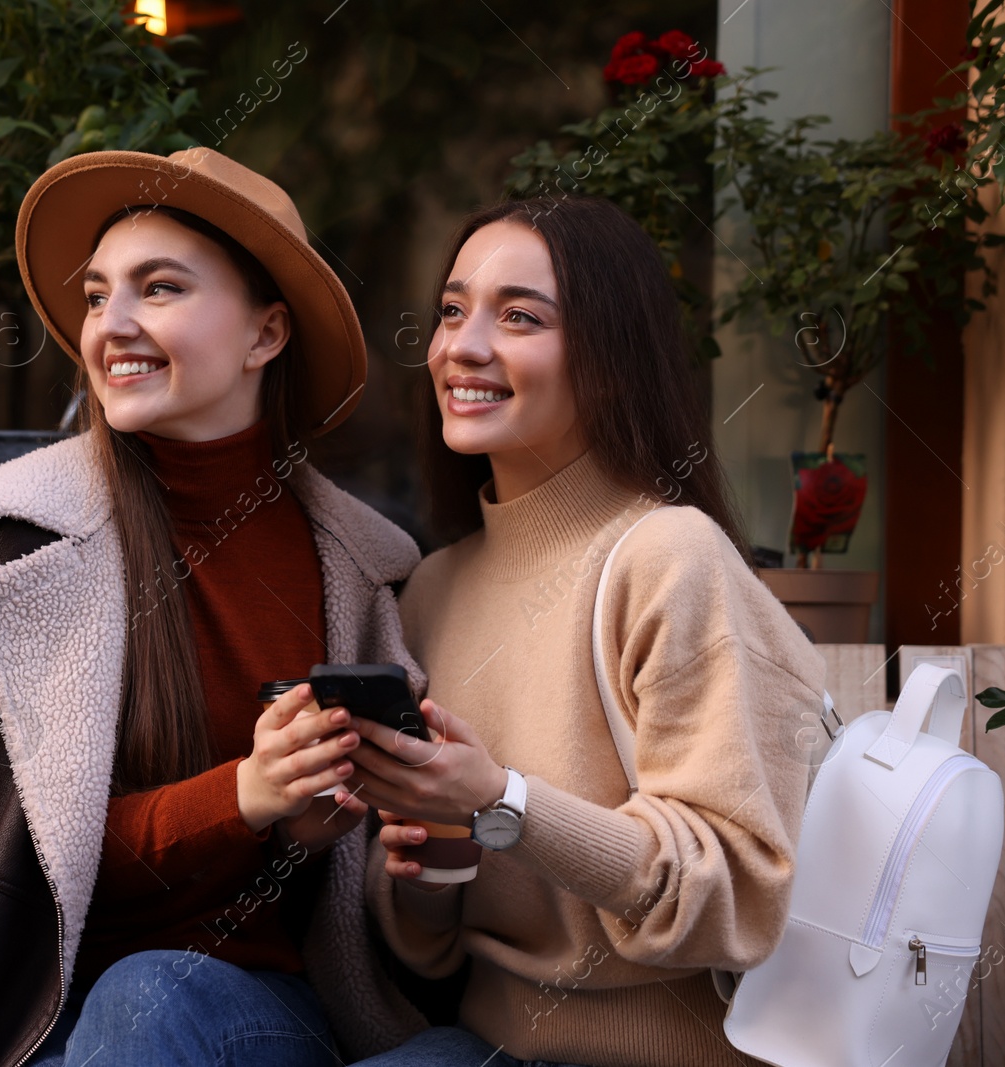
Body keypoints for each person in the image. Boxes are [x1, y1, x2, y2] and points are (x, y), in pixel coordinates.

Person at [0, 147, 430, 1067]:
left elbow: (380, 904)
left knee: (154, 998)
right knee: (133, 1001)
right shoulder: (10, 546)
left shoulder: (364, 571)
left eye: (158, 289)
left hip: (264, 1016)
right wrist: (240, 796)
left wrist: (313, 831)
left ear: (266, 334)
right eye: (95, 296)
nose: (110, 325)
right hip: (19, 1020)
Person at [346, 196, 827, 1067]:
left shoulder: (669, 557)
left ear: (611, 359)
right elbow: (430, 945)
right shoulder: (432, 588)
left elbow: (736, 893)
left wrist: (502, 802)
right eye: (453, 310)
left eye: (519, 316)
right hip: (482, 1043)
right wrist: (433, 849)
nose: (464, 345)